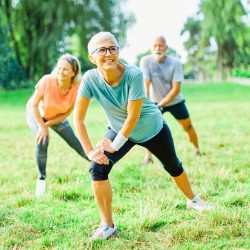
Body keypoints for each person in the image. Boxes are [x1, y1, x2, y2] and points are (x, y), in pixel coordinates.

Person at [73, 32, 212, 241]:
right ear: (92, 57)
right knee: (98, 167)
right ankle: (108, 226)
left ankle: (192, 200)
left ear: (119, 52)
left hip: (151, 128)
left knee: (173, 166)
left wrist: (114, 145)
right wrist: (90, 151)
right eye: (101, 50)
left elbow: (133, 116)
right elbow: (79, 119)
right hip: (119, 129)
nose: (108, 54)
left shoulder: (133, 74)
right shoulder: (90, 79)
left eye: (112, 48)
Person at [25, 53, 88, 197]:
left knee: (76, 143)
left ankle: (98, 167)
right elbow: (34, 106)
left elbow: (68, 113)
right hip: (35, 115)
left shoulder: (77, 89)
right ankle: (41, 178)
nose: (60, 71)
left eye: (65, 69)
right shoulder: (47, 81)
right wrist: (42, 127)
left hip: (56, 117)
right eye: (59, 68)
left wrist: (49, 124)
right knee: (43, 140)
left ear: (74, 72)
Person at [140, 36, 201, 165]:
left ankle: (197, 150)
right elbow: (146, 85)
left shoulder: (175, 63)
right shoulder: (145, 61)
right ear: (151, 48)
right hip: (154, 102)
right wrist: (147, 105)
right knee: (149, 130)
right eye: (155, 46)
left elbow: (176, 90)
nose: (158, 48)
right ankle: (148, 157)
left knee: (188, 126)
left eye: (160, 45)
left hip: (175, 101)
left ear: (166, 48)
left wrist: (161, 105)